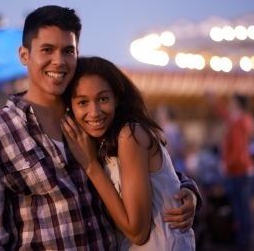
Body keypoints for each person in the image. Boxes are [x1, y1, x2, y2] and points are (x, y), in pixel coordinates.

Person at [0, 5, 202, 250]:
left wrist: (188, 192)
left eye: (68, 51)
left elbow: (150, 173)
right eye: (47, 50)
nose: (58, 61)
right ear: (24, 55)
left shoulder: (88, 117)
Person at [61, 56, 197, 250]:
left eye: (103, 98)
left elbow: (138, 232)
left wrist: (91, 166)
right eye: (83, 102)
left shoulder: (129, 136)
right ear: (70, 108)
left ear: (116, 98)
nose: (95, 111)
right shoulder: (99, 144)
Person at [207, 93, 254, 251]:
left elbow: (238, 149)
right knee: (242, 206)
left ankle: (243, 240)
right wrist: (214, 100)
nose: (229, 104)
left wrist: (227, 165)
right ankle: (243, 238)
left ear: (238, 105)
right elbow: (224, 114)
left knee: (241, 207)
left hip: (238, 170)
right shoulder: (239, 120)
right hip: (241, 169)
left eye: (232, 102)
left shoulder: (237, 122)